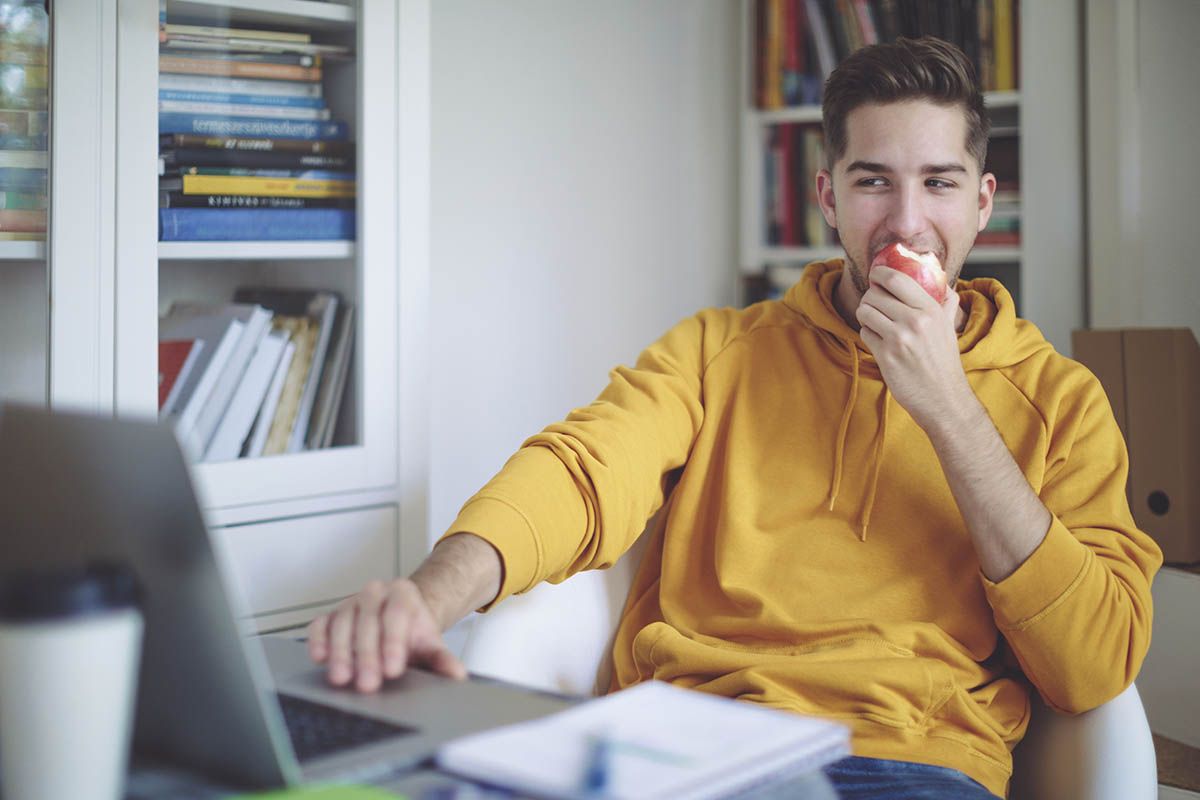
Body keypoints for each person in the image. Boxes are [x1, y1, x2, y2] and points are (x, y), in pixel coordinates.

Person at [307, 37, 1161, 799]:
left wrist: (948, 407)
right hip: (679, 746)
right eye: (873, 182)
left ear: (982, 202)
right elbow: (578, 470)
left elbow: (1093, 668)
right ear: (828, 196)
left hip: (905, 762)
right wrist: (429, 598)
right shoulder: (722, 352)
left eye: (938, 183)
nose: (907, 224)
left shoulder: (1061, 400)